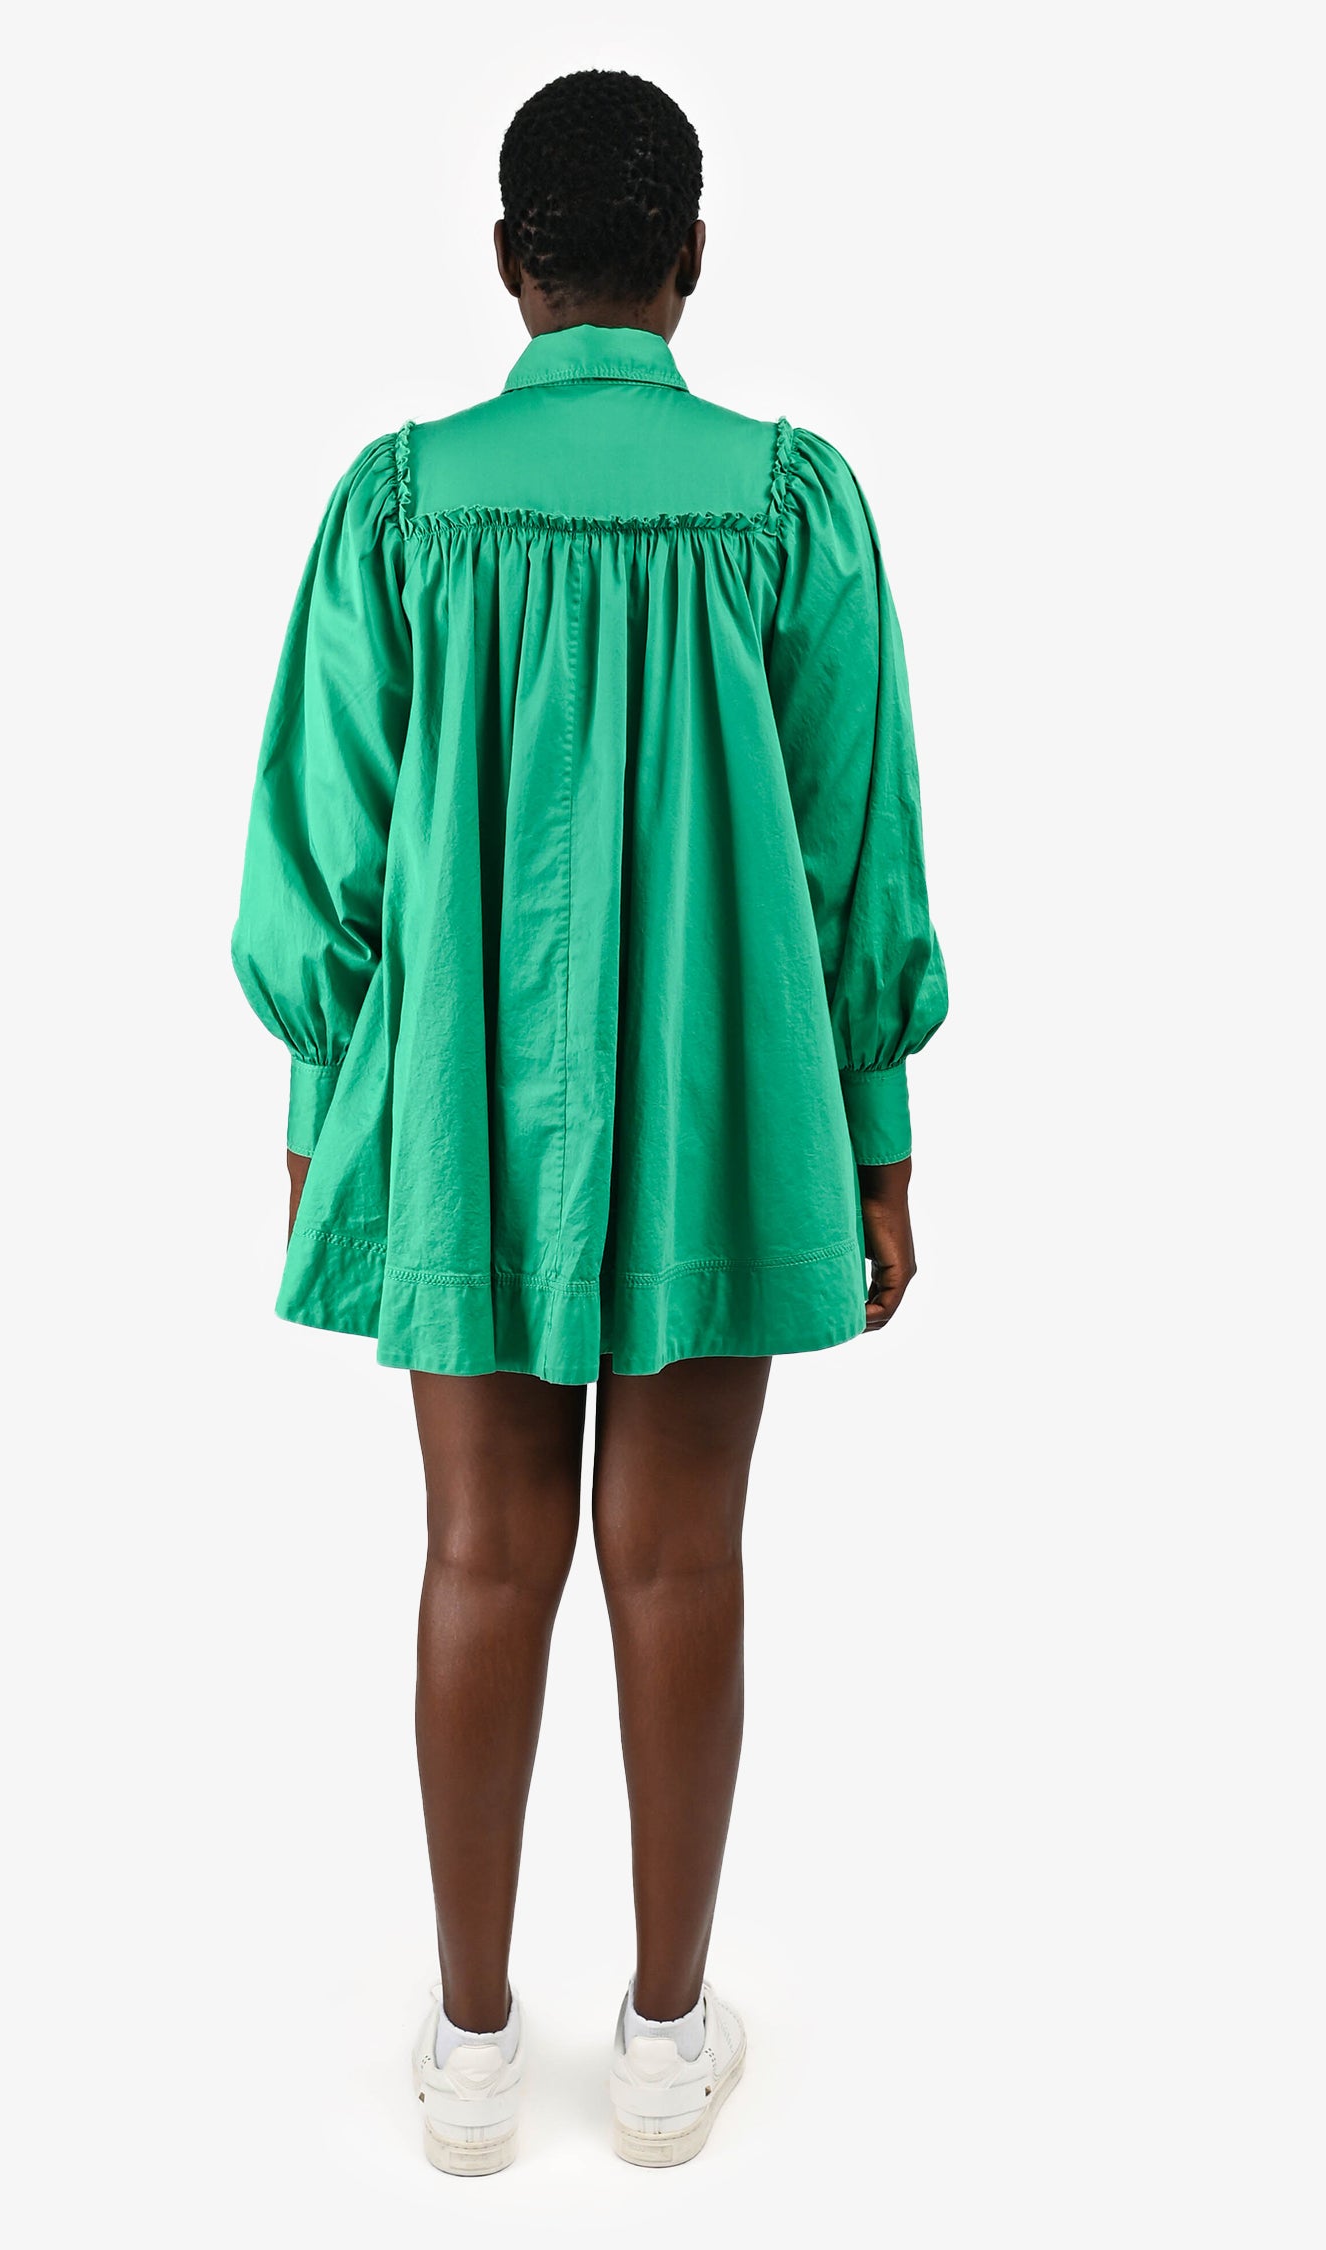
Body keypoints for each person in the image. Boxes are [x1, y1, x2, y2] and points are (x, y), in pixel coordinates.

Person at [231, 68, 947, 2174]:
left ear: (506, 265)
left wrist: (322, 1104)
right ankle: (661, 2037)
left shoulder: (402, 502)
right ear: (692, 261)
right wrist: (877, 1129)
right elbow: (854, 846)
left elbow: (323, 849)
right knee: (683, 1550)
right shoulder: (791, 502)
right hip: (737, 1099)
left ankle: (468, 2050)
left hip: (459, 1104)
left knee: (478, 1546)